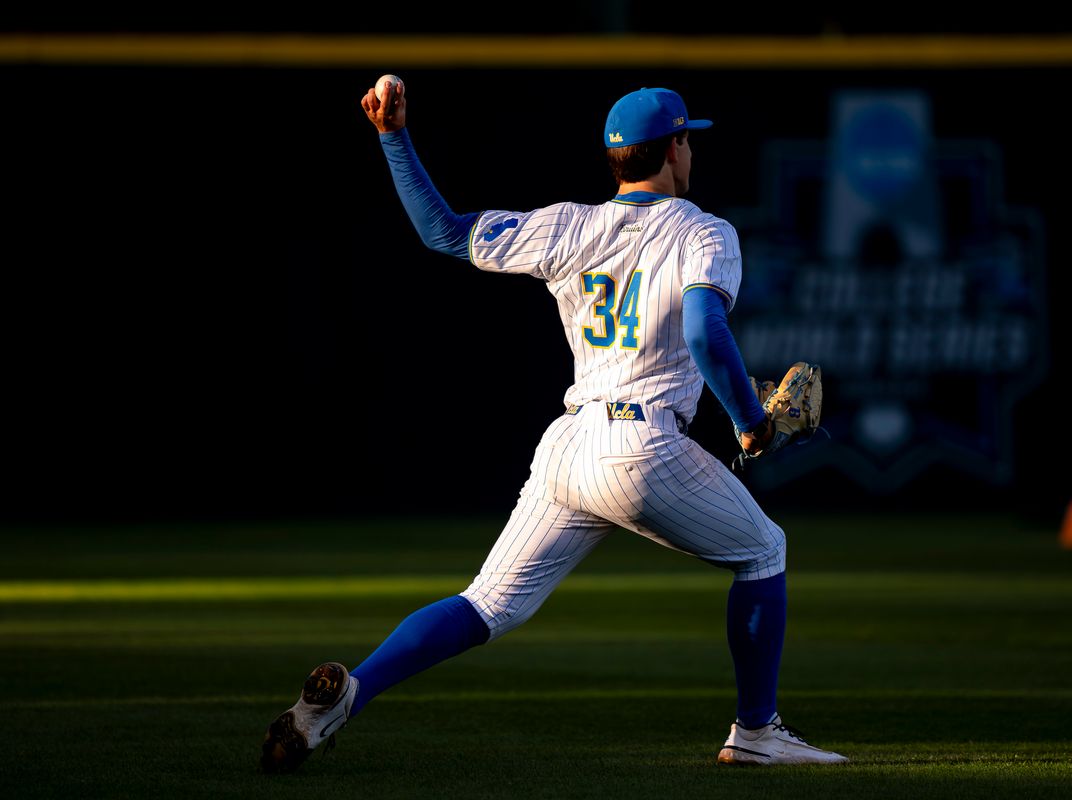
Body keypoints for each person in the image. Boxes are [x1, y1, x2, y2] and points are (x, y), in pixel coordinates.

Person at [259, 79, 848, 773]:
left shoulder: (569, 224)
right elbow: (704, 331)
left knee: (486, 603)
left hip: (569, 446)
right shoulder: (704, 230)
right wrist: (750, 424)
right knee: (764, 552)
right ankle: (756, 732)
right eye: (688, 139)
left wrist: (393, 137)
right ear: (673, 149)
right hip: (640, 447)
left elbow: (442, 232)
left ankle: (346, 697)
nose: (692, 153)